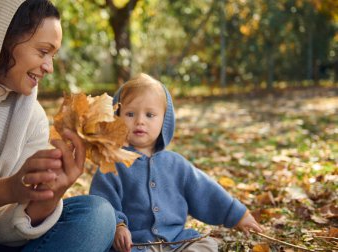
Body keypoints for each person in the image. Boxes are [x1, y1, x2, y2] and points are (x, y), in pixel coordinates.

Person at [0, 0, 115, 251]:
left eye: (52, 56)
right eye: (43, 52)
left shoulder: (33, 118)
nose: (49, 68)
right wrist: (6, 189)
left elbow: (0, 232)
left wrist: (46, 198)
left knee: (97, 214)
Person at [90, 73, 263, 252]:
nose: (140, 121)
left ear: (165, 121)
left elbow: (206, 191)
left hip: (176, 242)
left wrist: (237, 214)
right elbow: (103, 201)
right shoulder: (112, 164)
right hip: (135, 246)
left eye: (150, 115)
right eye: (130, 114)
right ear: (116, 118)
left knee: (206, 245)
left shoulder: (176, 164)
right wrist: (118, 226)